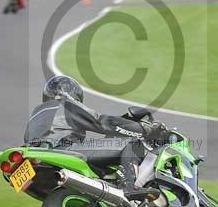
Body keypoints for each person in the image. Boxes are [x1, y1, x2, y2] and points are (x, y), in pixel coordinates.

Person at [24, 75, 167, 193]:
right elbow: (102, 122)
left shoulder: (35, 117)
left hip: (36, 160)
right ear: (73, 94)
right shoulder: (65, 104)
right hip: (61, 150)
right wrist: (144, 129)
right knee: (133, 144)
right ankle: (128, 190)